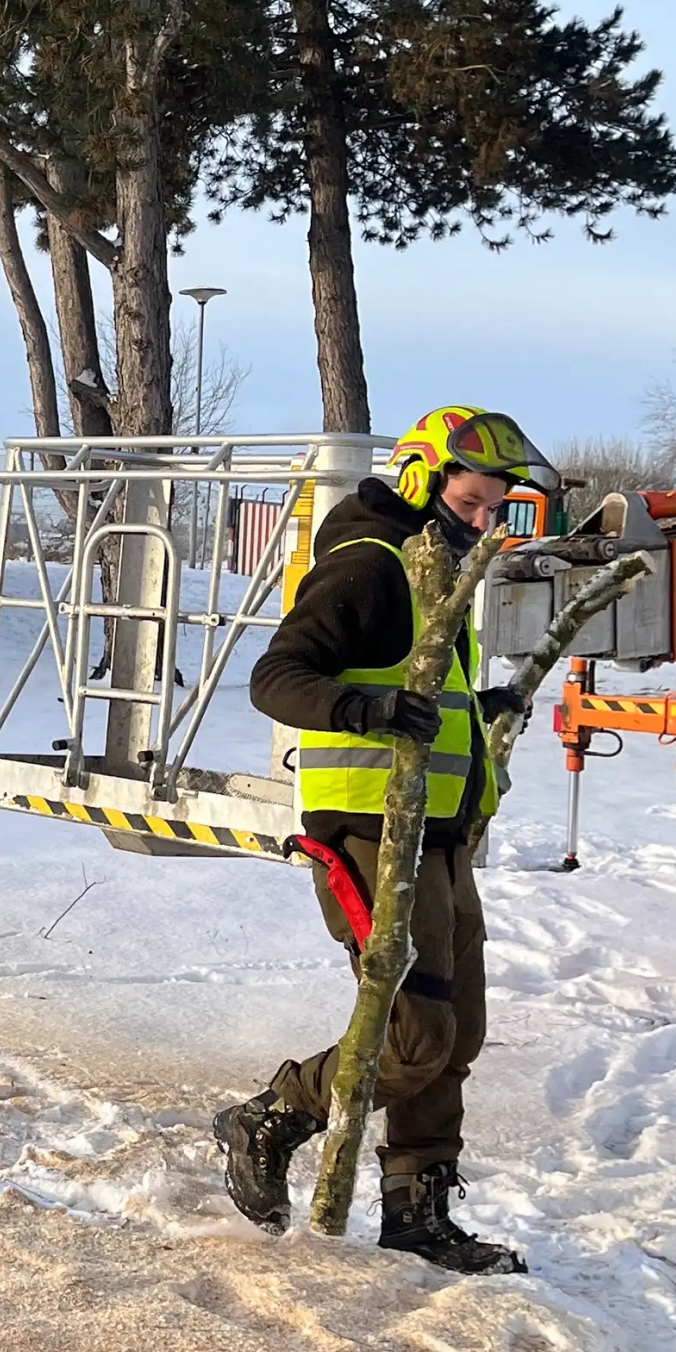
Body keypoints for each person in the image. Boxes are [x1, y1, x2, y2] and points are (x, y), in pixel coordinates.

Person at [212, 407, 557, 1274]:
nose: (484, 523)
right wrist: (360, 711)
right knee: (413, 1037)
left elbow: (421, 702)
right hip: (370, 836)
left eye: (494, 511)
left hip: (437, 837)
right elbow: (276, 676)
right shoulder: (370, 565)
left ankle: (417, 1212)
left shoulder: (435, 567)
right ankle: (273, 1115)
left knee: (458, 1034)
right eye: (472, 503)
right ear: (420, 480)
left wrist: (481, 717)